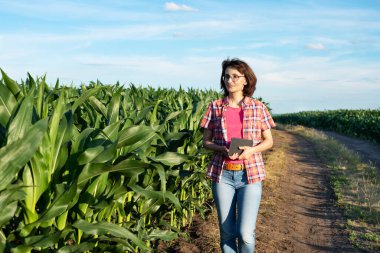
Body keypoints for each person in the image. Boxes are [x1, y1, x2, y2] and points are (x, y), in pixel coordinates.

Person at [200, 58, 276, 252]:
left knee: (245, 234)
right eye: (226, 76)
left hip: (249, 175)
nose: (230, 80)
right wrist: (221, 149)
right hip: (222, 175)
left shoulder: (258, 107)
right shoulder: (215, 107)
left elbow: (269, 141)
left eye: (235, 76)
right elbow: (205, 142)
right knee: (226, 233)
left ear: (246, 80)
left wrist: (251, 150)